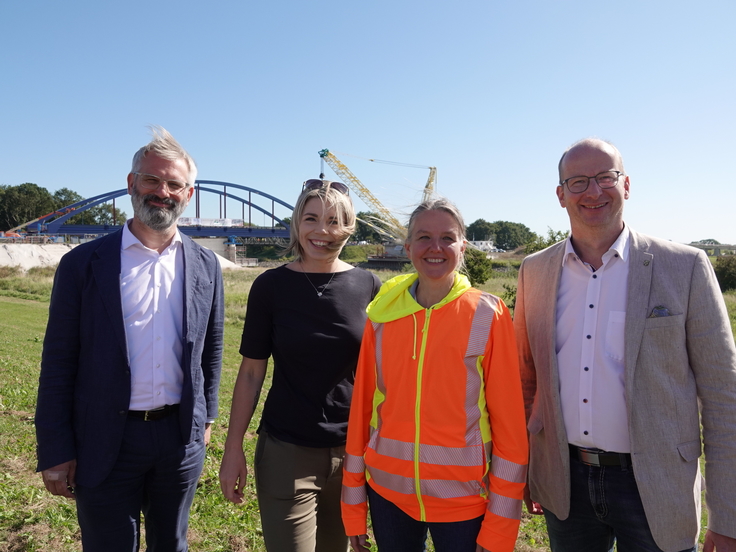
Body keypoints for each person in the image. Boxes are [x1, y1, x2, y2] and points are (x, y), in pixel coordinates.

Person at [514, 137, 736, 552]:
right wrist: (533, 468)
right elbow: (526, 378)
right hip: (567, 484)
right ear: (560, 195)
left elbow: (724, 396)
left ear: (627, 184)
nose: (593, 192)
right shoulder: (534, 270)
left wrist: (728, 515)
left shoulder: (684, 266)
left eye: (605, 177)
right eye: (578, 182)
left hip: (658, 484)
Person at [35, 126, 224, 552]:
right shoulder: (83, 264)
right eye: (152, 179)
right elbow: (60, 361)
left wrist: (206, 419)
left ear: (188, 194)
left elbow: (211, 347)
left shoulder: (205, 265)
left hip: (178, 439)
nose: (163, 192)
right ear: (131, 184)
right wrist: (54, 448)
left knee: (171, 544)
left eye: (175, 184)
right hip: (103, 437)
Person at [341, 198, 529, 552]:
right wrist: (353, 507)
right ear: (408, 246)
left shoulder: (488, 314)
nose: (436, 248)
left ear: (463, 246)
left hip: (465, 502)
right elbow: (362, 414)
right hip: (389, 497)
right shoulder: (382, 316)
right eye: (424, 237)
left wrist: (500, 529)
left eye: (448, 237)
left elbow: (510, 428)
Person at [219, 179, 381, 552]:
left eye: (335, 221)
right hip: (286, 451)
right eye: (311, 219)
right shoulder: (270, 286)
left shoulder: (370, 285)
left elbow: (383, 373)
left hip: (354, 452)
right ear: (296, 223)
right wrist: (233, 449)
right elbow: (250, 373)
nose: (322, 231)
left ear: (350, 227)